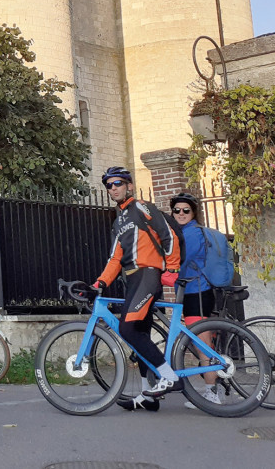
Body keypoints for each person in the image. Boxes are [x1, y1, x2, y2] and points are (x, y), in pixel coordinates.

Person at [92, 166, 181, 412]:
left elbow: (169, 235)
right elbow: (114, 259)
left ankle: (169, 376)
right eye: (109, 185)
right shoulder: (119, 221)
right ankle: (148, 396)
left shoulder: (142, 207)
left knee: (127, 328)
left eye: (118, 183)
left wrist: (171, 269)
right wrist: (99, 283)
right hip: (132, 279)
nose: (113, 188)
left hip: (148, 275)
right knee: (139, 335)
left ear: (129, 185)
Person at [171, 192, 221, 408]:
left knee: (202, 344)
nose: (181, 214)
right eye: (176, 210)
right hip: (193, 293)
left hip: (197, 293)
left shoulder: (190, 234)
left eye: (186, 210)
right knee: (199, 340)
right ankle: (211, 385)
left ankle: (212, 394)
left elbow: (180, 261)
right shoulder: (181, 232)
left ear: (193, 213)